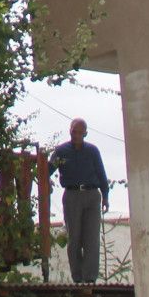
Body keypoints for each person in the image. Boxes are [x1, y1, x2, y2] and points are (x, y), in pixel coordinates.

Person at [50, 119, 109, 285]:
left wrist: (105, 195)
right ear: (70, 131)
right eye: (74, 132)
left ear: (85, 133)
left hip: (91, 194)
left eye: (80, 132)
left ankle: (89, 278)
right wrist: (45, 179)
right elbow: (47, 169)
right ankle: (77, 278)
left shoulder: (92, 151)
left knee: (91, 237)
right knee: (74, 237)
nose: (76, 135)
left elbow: (101, 173)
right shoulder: (61, 151)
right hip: (72, 195)